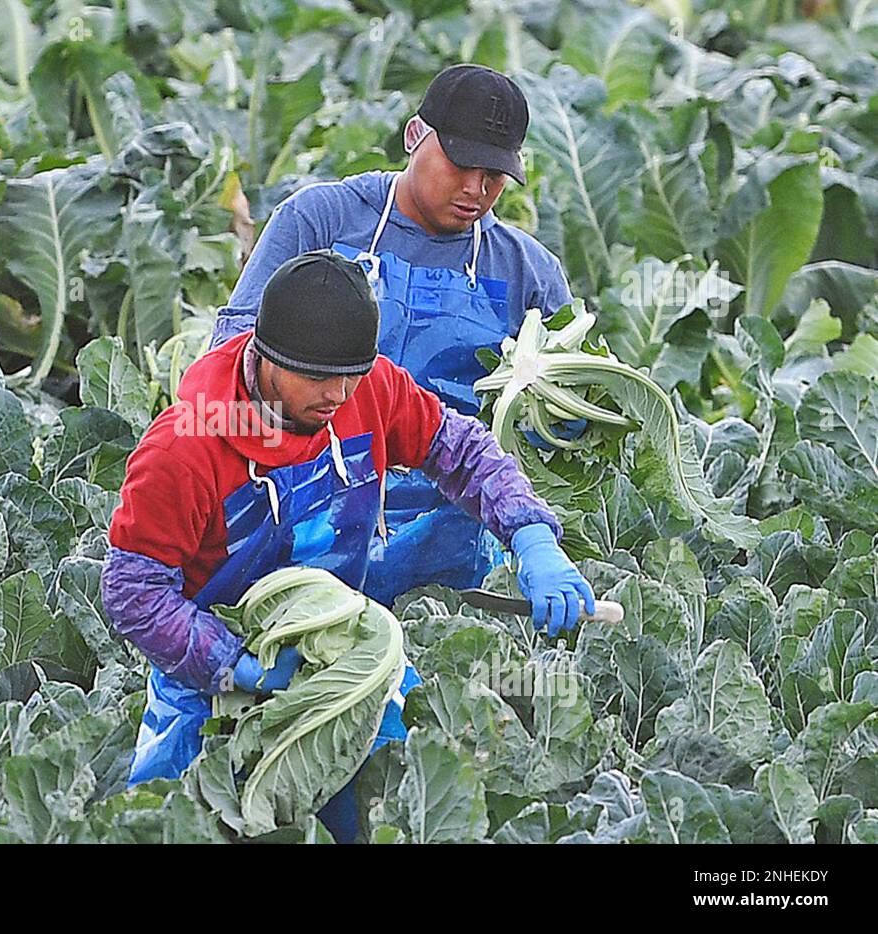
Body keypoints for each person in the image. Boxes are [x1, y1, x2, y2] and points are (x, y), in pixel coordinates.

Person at [102, 250, 594, 842]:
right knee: (178, 826)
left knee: (401, 801)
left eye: (351, 375)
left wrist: (530, 533)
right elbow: (132, 590)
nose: (338, 395)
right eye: (317, 378)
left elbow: (459, 450)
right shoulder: (182, 448)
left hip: (346, 657)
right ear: (264, 357)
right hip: (209, 684)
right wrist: (234, 666)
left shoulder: (370, 388)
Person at [209, 63, 579, 606]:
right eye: (461, 164)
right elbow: (232, 355)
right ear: (414, 136)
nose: (476, 189)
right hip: (304, 531)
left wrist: (534, 533)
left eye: (495, 175)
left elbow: (563, 427)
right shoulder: (320, 220)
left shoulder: (531, 273)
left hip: (455, 551)